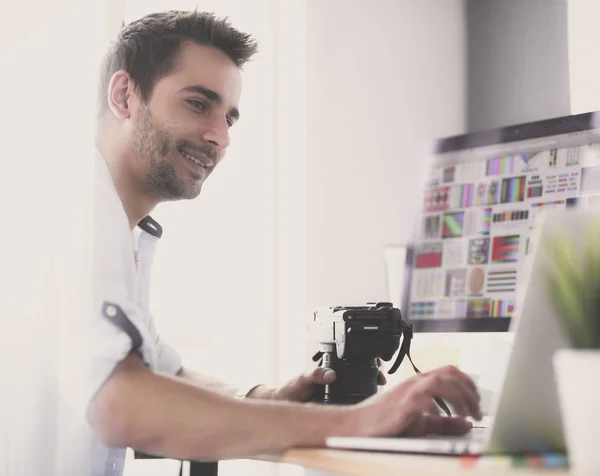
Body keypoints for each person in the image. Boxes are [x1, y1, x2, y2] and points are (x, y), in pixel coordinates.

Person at [89, 9, 482, 475]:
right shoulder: (74, 219)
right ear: (124, 96)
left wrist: (270, 399)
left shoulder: (117, 230)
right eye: (198, 104)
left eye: (229, 118)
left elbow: (161, 373)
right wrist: (361, 422)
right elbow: (122, 403)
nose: (220, 137)